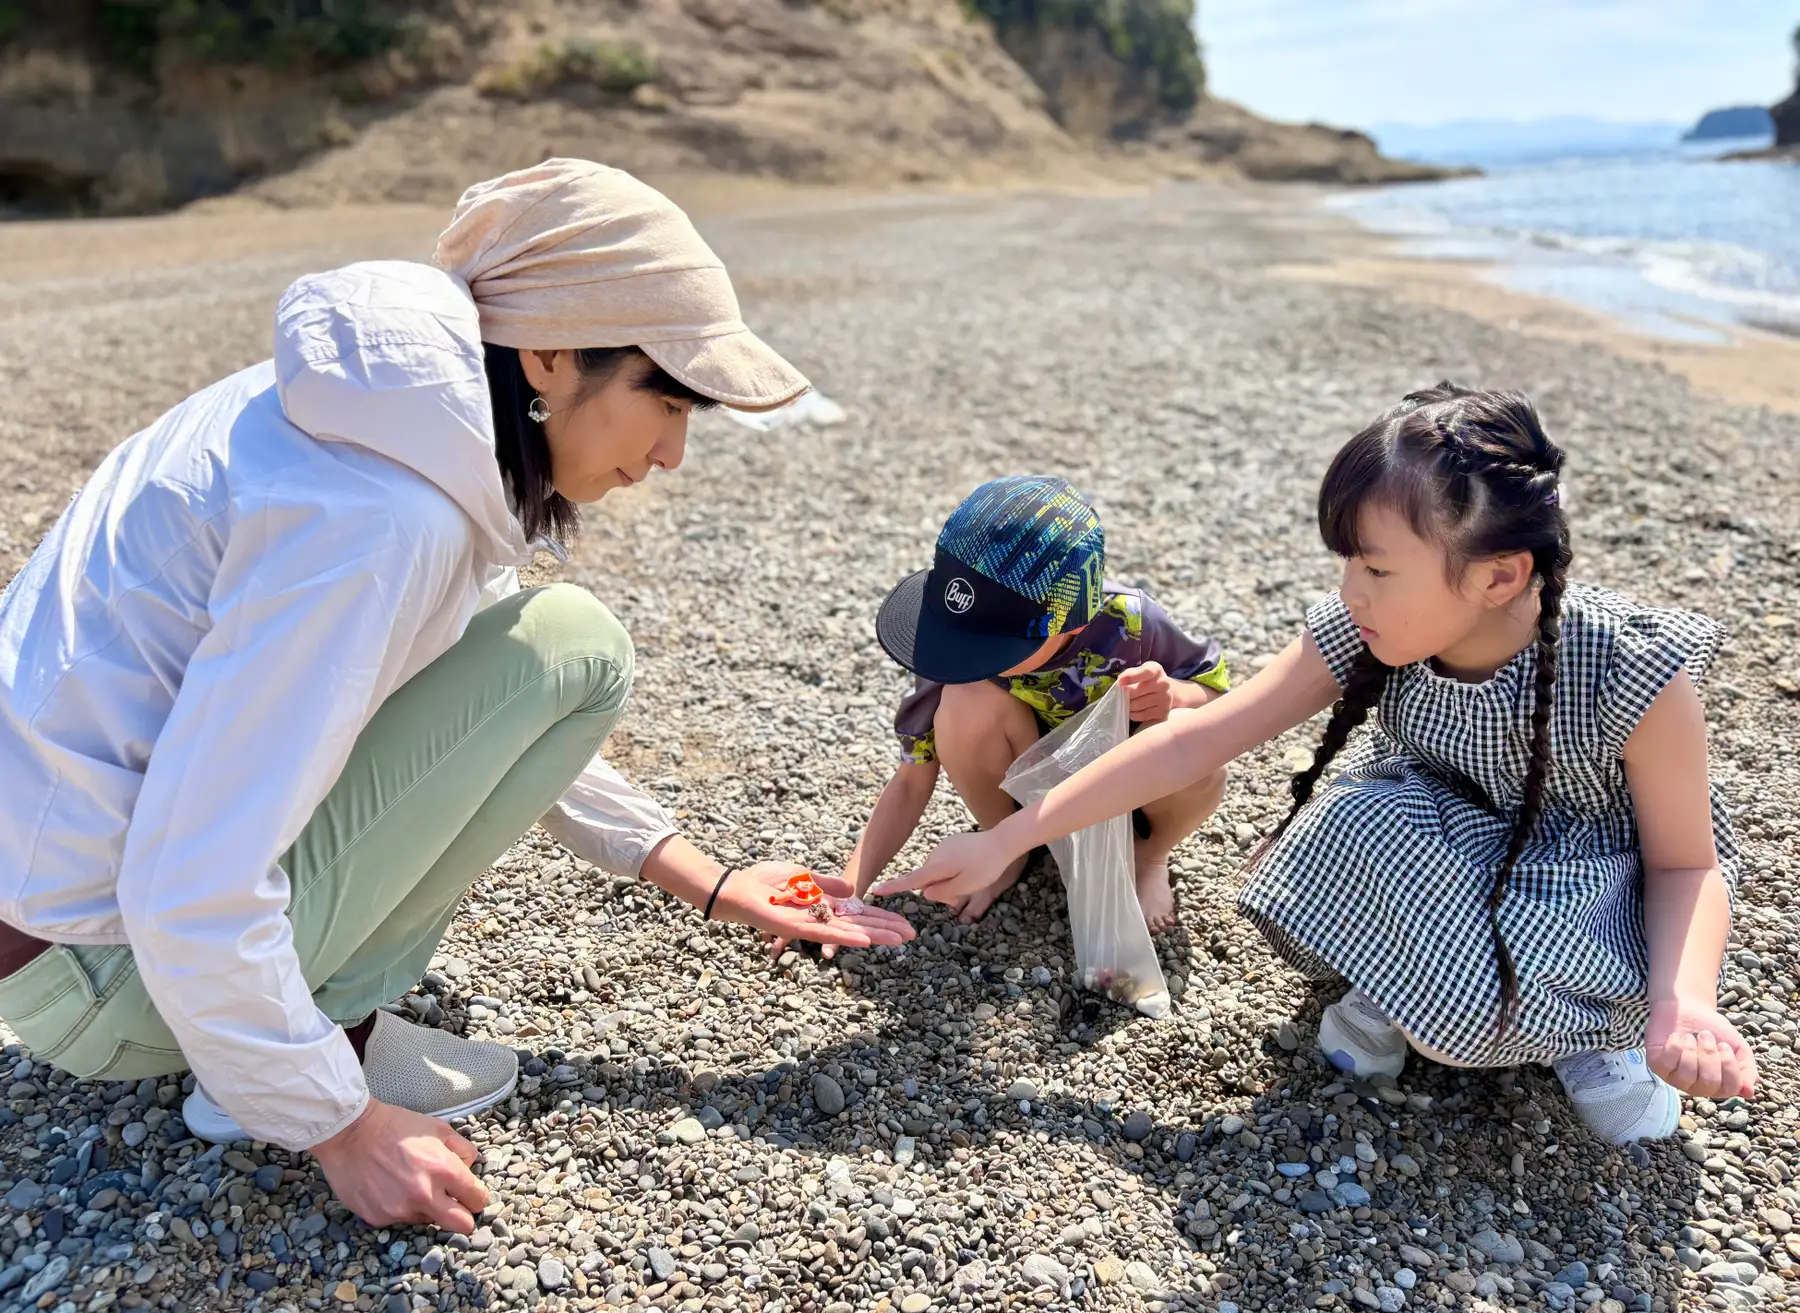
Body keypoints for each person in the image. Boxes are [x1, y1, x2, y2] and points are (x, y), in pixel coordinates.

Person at [0, 159, 913, 1235]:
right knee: (575, 642)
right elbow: (185, 881)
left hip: (56, 927)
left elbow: (475, 703)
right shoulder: (385, 517)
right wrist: (336, 1125)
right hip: (100, 982)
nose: (672, 452)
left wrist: (707, 880)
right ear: (551, 354)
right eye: (665, 400)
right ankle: (305, 1044)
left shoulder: (367, 410)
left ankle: (281, 1027)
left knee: (555, 648)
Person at [879, 383, 1758, 1145]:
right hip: (1442, 840)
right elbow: (1195, 738)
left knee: (1523, 961)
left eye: (1376, 568)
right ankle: (1401, 985)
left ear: (1498, 576)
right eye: (1347, 562)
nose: (1350, 591)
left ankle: (1597, 1034)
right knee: (1352, 816)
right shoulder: (1369, 630)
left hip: (1586, 880)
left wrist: (1684, 1001)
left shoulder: (1629, 668)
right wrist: (1009, 839)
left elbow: (1687, 864)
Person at [849, 475, 1230, 933]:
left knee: (1193, 740)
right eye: (956, 637)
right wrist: (848, 891)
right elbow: (912, 781)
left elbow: (1221, 702)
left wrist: (1173, 696)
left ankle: (1148, 857)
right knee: (966, 699)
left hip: (1125, 791)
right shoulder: (952, 644)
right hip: (1020, 784)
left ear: (1074, 621)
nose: (964, 654)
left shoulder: (1129, 623)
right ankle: (1009, 850)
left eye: (992, 646)